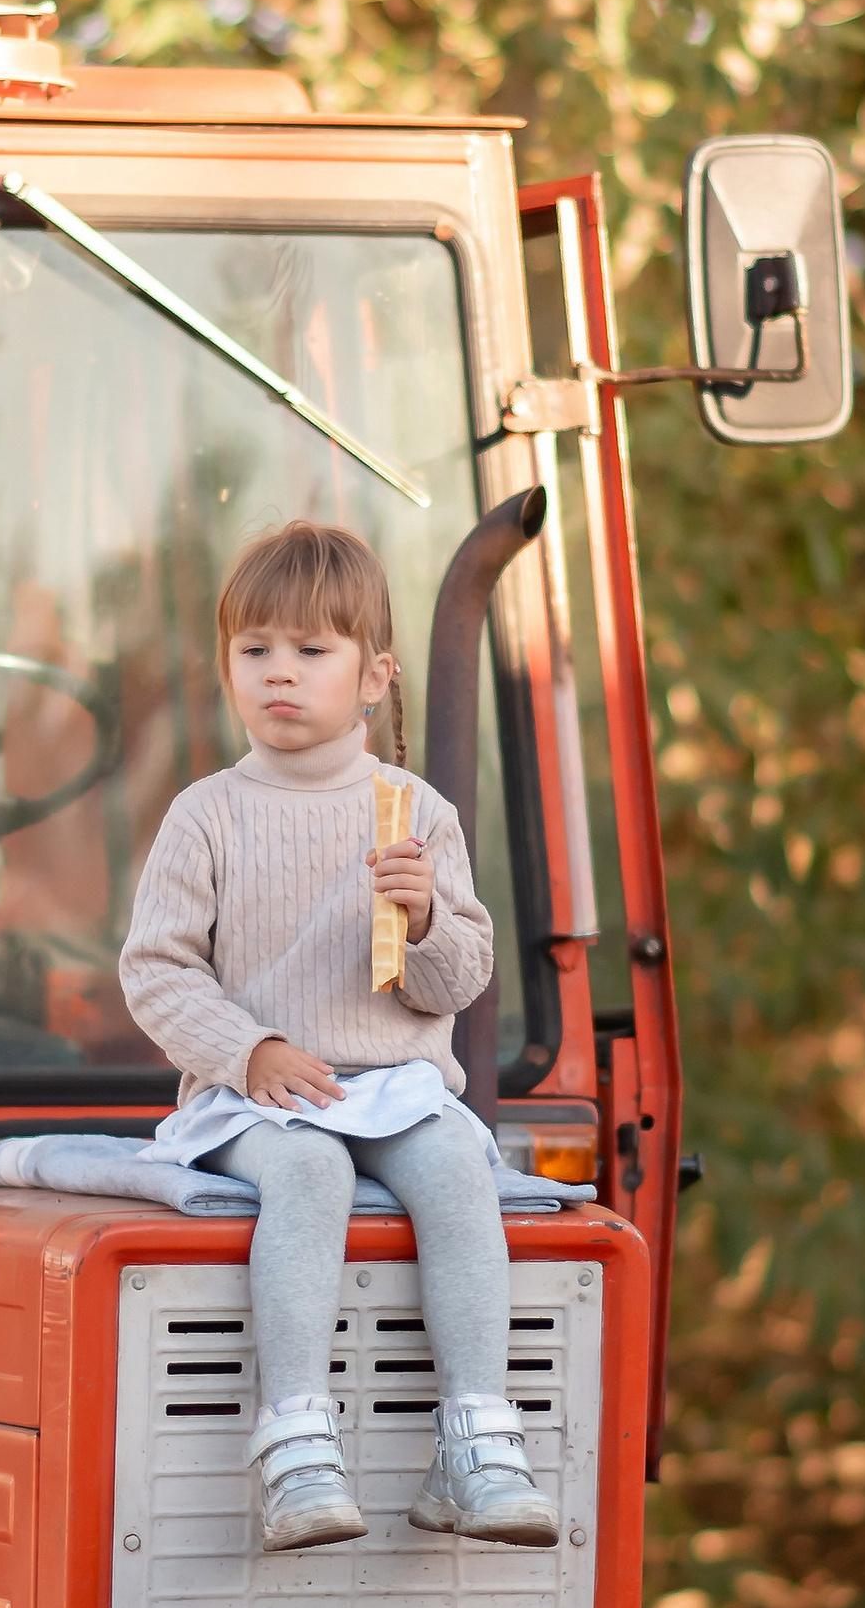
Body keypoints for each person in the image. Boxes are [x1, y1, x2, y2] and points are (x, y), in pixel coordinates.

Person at [117, 519, 558, 1555]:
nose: (280, 674)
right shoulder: (206, 814)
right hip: (257, 1094)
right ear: (226, 665)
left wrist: (429, 921)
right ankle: (294, 1443)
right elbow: (157, 968)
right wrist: (248, 1051)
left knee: (459, 1157)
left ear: (373, 676)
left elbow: (458, 983)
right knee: (307, 1170)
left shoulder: (413, 813)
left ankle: (476, 1439)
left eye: (311, 652)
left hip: (392, 1083)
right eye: (254, 650)